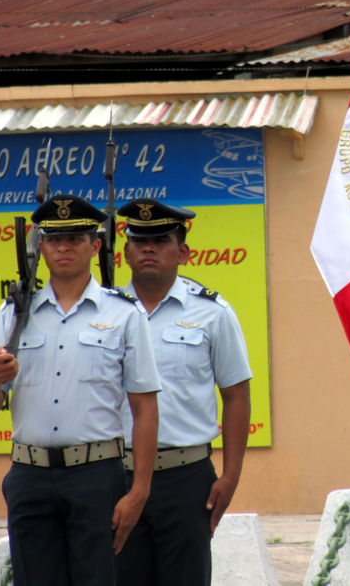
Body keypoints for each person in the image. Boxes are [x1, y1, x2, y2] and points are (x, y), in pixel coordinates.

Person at [0, 194, 160, 586]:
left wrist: (139, 490)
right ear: (39, 246)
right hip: (30, 476)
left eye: (75, 238)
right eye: (54, 239)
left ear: (95, 246)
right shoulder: (14, 315)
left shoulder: (123, 313)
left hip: (97, 476)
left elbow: (144, 408)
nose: (63, 247)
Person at [115, 198, 253, 586]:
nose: (148, 249)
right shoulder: (106, 312)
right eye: (139, 240)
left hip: (186, 478)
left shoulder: (212, 312)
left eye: (160, 240)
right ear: (124, 250)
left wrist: (231, 475)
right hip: (117, 476)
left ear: (183, 251)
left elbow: (237, 395)